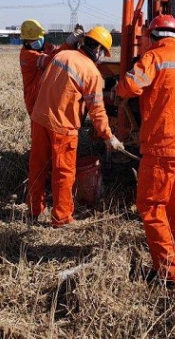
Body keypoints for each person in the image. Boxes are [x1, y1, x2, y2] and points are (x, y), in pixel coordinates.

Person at [116, 14, 175, 288]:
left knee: (151, 206)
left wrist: (119, 88)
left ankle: (168, 273)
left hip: (162, 146)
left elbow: (130, 86)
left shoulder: (153, 58)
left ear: (152, 37)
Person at [28, 26, 124, 226]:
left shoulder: (62, 55)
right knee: (63, 172)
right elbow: (97, 111)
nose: (101, 57)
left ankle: (34, 210)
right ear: (96, 48)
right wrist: (109, 137)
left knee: (37, 167)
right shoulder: (91, 72)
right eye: (102, 52)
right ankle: (62, 218)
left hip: (39, 119)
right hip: (63, 127)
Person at [18, 19, 83, 116]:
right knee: (40, 129)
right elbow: (53, 60)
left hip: (46, 97)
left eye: (41, 37)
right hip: (35, 101)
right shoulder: (27, 55)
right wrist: (69, 42)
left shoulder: (45, 47)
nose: (40, 41)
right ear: (26, 41)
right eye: (36, 39)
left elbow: (59, 52)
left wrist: (71, 43)